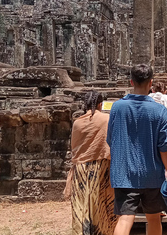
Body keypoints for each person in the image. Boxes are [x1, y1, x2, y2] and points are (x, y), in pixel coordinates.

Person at [107, 64, 167, 235]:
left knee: (125, 218)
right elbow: (164, 147)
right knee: (154, 217)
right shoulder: (159, 110)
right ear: (151, 83)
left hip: (124, 173)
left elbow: (110, 139)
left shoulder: (117, 108)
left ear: (131, 81)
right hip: (152, 173)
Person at [65, 90, 117, 235]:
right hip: (101, 168)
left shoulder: (77, 122)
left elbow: (74, 147)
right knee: (102, 210)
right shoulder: (106, 119)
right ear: (100, 104)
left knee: (80, 208)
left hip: (80, 169)